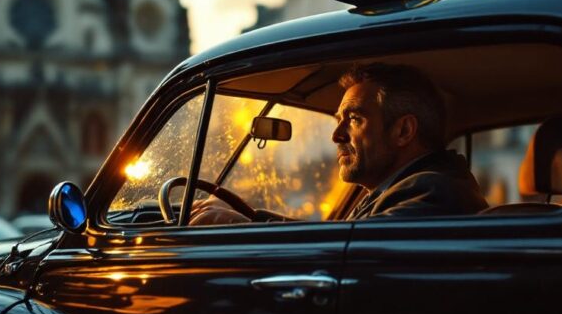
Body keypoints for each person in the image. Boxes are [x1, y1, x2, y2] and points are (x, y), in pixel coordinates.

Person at [190, 63, 488, 224]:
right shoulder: (402, 191)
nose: (336, 135)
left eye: (355, 119)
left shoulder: (432, 190)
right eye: (338, 121)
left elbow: (348, 251)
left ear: (403, 131)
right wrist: (252, 219)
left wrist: (241, 228)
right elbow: (338, 237)